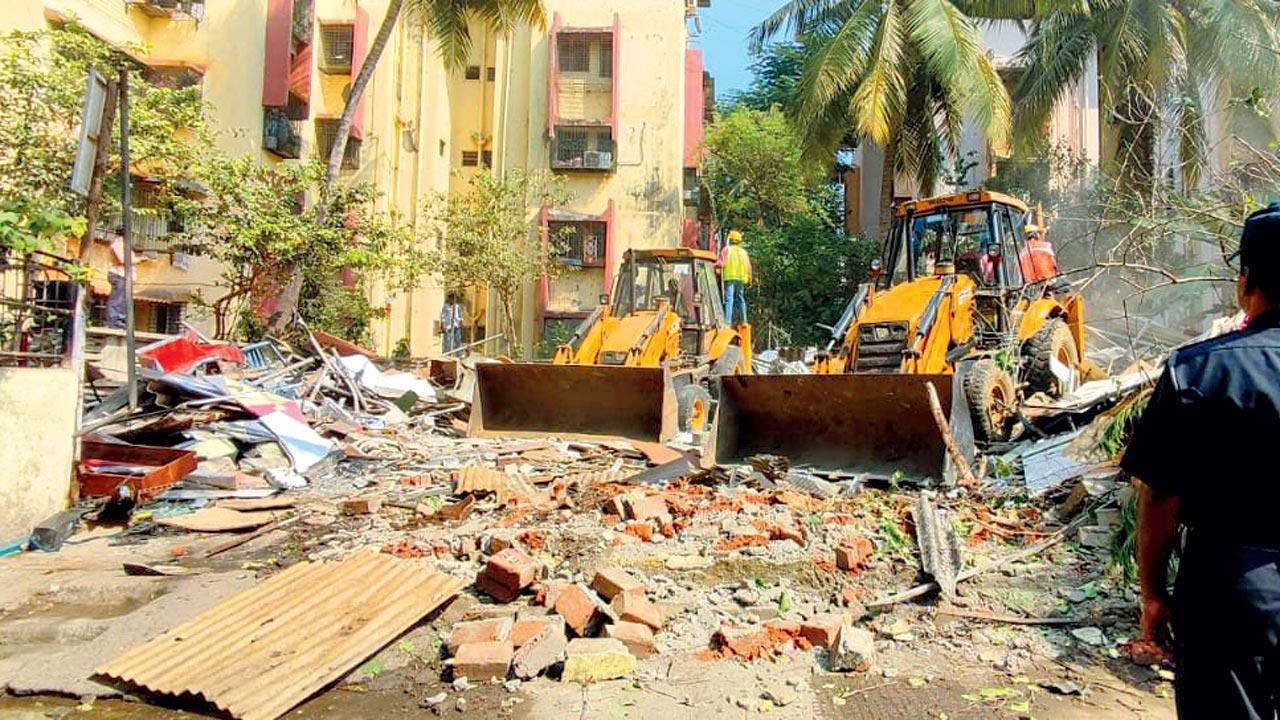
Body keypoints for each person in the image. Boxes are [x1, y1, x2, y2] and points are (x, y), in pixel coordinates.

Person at [1121, 201, 1280, 719]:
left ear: (1246, 281)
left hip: (1229, 591)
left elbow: (1160, 493)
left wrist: (1153, 594)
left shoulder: (1200, 372)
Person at [718, 230, 752, 325]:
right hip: (741, 279)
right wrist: (750, 278)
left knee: (729, 299)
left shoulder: (727, 250)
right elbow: (749, 266)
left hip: (730, 277)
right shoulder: (744, 252)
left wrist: (713, 265)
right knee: (740, 298)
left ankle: (727, 322)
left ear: (730, 240)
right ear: (740, 241)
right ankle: (744, 321)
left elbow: (721, 263)